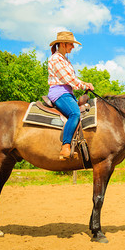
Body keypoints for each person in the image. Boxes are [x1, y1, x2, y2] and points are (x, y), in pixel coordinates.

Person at [48, 31, 94, 160]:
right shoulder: (55, 58)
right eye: (71, 44)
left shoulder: (65, 59)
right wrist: (84, 86)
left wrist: (85, 83)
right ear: (62, 44)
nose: (73, 47)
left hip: (67, 93)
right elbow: (67, 79)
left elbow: (73, 78)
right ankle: (65, 146)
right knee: (75, 113)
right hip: (59, 93)